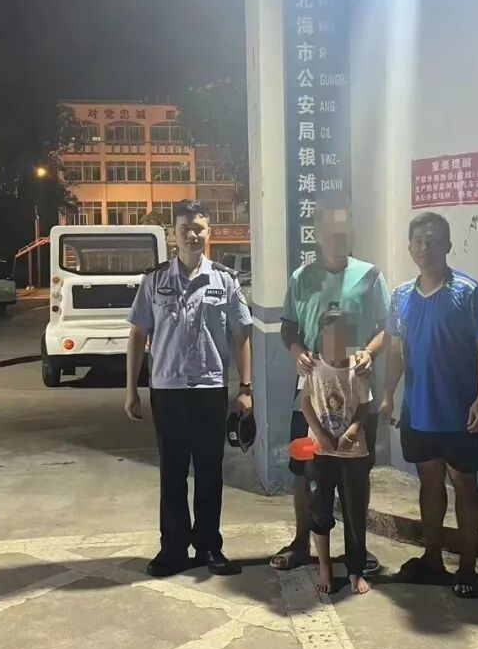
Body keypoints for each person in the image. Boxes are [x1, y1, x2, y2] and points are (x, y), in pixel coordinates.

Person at [125, 200, 253, 578]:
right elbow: (137, 336)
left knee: (210, 472)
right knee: (173, 473)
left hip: (210, 388)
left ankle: (209, 546)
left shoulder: (225, 281)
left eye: (198, 228)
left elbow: (241, 335)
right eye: (185, 229)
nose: (192, 235)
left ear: (208, 232)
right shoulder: (155, 281)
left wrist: (245, 387)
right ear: (174, 235)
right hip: (168, 389)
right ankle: (174, 549)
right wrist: (131, 389)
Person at [271, 191, 390, 574]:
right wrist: (297, 352)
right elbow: (288, 326)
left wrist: (369, 352)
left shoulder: (370, 276)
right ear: (318, 233)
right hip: (312, 393)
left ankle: (358, 550)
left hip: (355, 395)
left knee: (356, 474)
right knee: (304, 471)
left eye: (345, 229)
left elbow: (386, 328)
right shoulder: (301, 278)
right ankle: (301, 543)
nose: (339, 236)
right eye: (331, 230)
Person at [380, 212, 478, 598]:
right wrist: (388, 393)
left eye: (432, 240)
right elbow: (395, 351)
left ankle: (468, 565)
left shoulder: (467, 291)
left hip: (458, 412)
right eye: (417, 240)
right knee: (429, 483)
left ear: (447, 245)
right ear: (409, 247)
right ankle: (432, 557)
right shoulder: (401, 296)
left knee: (464, 484)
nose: (424, 247)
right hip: (418, 412)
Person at [301, 306, 373, 595]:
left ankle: (356, 570)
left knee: (355, 514)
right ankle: (324, 565)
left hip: (352, 455)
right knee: (319, 511)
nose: (334, 341)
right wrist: (320, 434)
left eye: (341, 334)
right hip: (320, 453)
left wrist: (352, 430)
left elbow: (365, 405)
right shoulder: (313, 366)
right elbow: (305, 403)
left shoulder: (358, 367)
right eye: (329, 334)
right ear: (321, 336)